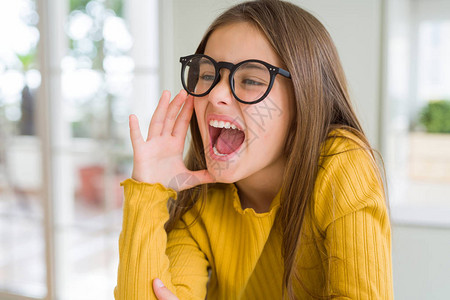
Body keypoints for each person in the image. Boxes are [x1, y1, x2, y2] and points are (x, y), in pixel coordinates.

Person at [114, 0, 393, 299]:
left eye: (250, 79)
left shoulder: (341, 164)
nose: (217, 93)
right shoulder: (200, 193)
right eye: (207, 75)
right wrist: (148, 191)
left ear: (304, 99)